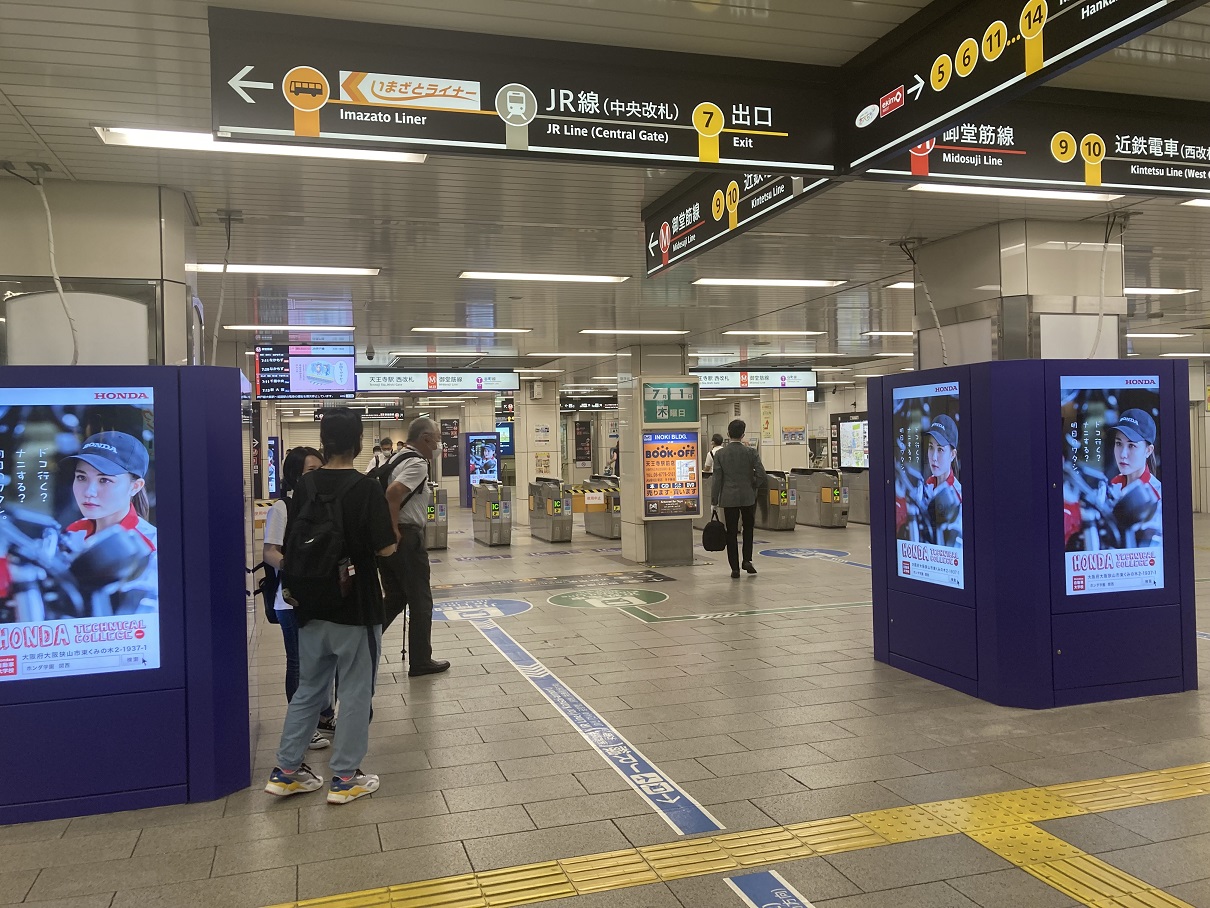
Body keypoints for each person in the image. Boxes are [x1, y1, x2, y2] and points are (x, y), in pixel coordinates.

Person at [265, 408, 397, 805]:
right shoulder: (365, 487)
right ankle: (344, 777)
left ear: (324, 443)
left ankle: (287, 770)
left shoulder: (303, 488)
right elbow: (385, 547)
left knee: (309, 688)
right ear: (358, 443)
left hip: (309, 603)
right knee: (356, 691)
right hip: (355, 606)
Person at [261, 445, 335, 750]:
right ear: (294, 475)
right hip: (289, 599)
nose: (317, 476)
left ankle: (323, 714)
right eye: (310, 471)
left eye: (321, 469)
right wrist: (296, 568)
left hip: (320, 595)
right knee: (299, 663)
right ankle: (301, 726)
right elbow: (269, 552)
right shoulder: (283, 508)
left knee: (322, 659)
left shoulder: (323, 505)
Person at [380, 417, 450, 677]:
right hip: (406, 539)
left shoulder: (394, 459)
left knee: (396, 598)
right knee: (421, 601)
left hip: (389, 540)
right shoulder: (417, 463)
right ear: (425, 438)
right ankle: (421, 660)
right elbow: (393, 493)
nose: (440, 443)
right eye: (438, 437)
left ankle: (363, 643)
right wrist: (396, 528)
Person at [61, 431, 158, 612]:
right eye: (81, 477)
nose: (89, 491)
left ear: (135, 487)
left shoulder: (152, 548)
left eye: (104, 480)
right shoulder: (71, 534)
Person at [711, 419, 767, 579]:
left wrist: (714, 500)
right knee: (748, 529)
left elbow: (717, 479)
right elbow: (762, 474)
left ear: (728, 434)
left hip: (729, 498)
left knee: (731, 532)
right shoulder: (751, 452)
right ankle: (747, 560)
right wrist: (753, 485)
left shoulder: (720, 454)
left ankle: (734, 568)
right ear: (743, 435)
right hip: (748, 497)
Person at [1107, 408, 1162, 544]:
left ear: (1148, 451)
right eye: (1119, 444)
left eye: (1131, 446)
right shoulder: (1112, 486)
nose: (1123, 454)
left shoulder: (1157, 495)